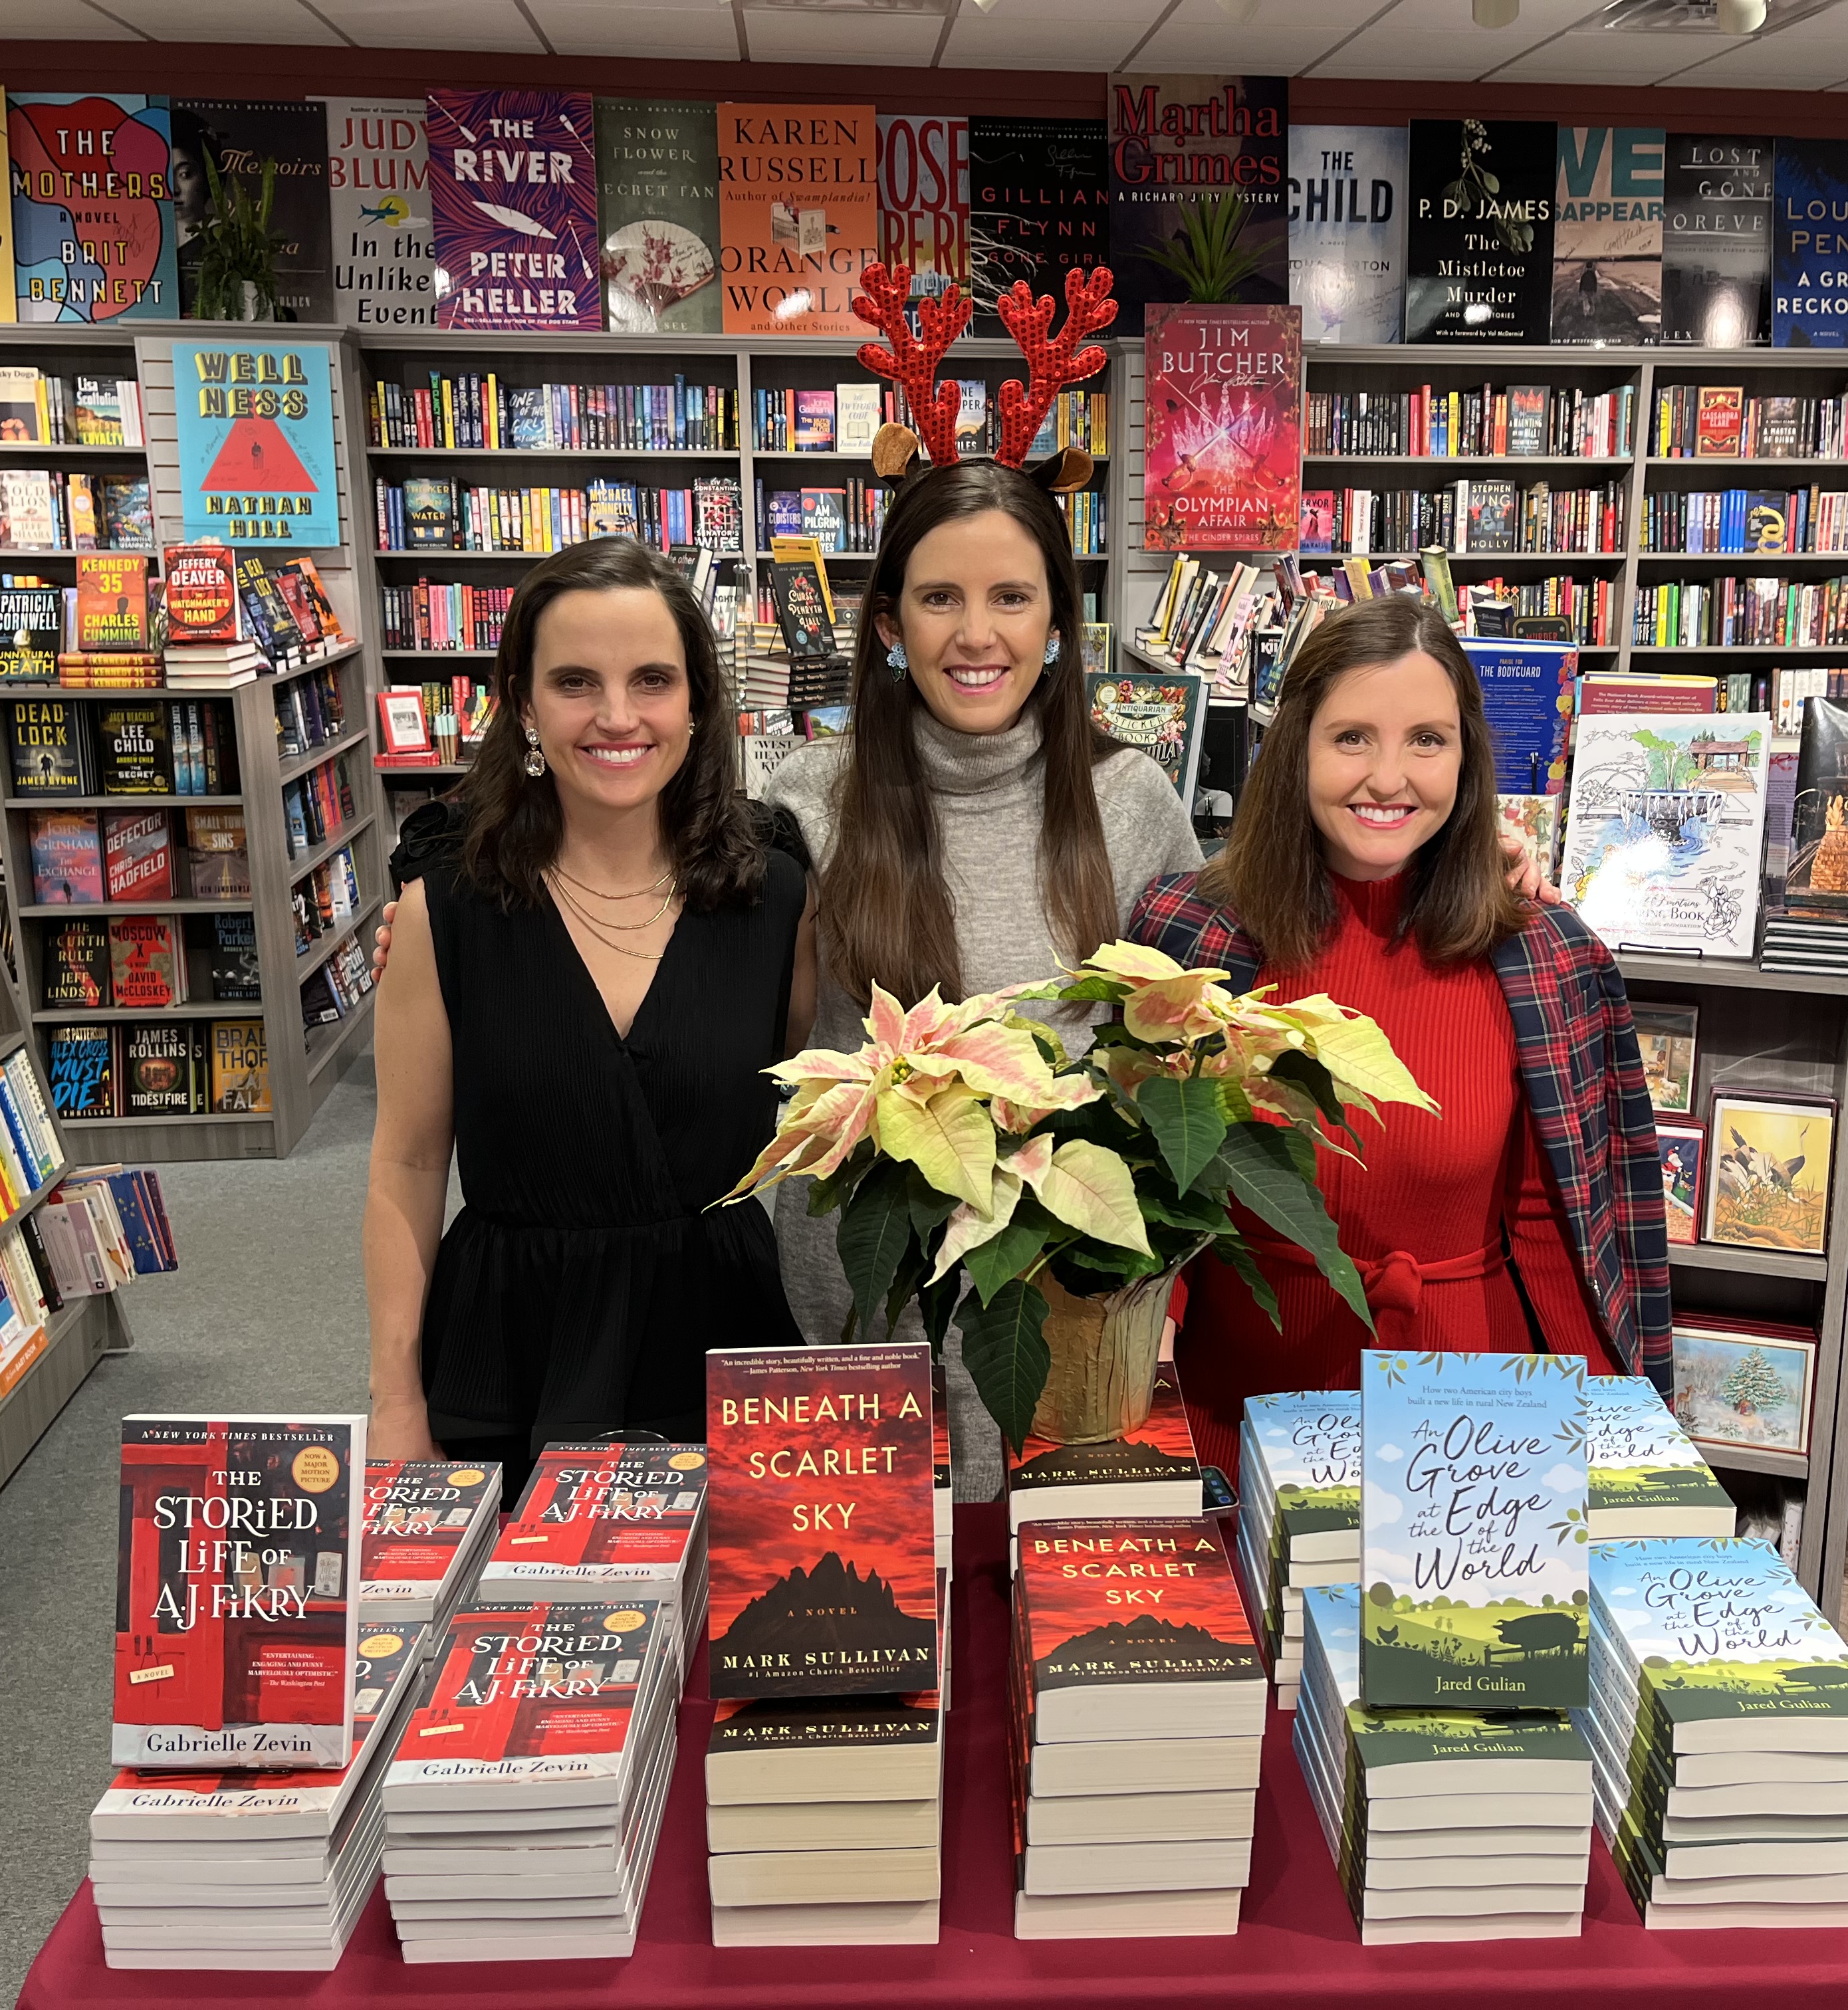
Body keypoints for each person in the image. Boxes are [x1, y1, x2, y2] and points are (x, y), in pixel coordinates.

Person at [1125, 594, 1669, 1471]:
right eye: (1351, 738)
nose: (1389, 777)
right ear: (1295, 746)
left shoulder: (1546, 959)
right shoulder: (1189, 934)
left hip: (1465, 1437)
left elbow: (1565, 1232)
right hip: (1234, 1413)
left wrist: (1611, 1453)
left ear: (1467, 756)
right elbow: (1147, 1197)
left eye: (1427, 739)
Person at [763, 455, 1200, 1492]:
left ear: (1059, 622)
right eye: (939, 598)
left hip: (1061, 1308)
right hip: (859, 1294)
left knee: (1053, 1622)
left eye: (1011, 597)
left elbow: (1205, 1016)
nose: (975, 634)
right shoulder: (810, 796)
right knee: (877, 1598)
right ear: (888, 622)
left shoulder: (1130, 800)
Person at [364, 538, 813, 1485]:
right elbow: (405, 1164)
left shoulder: (777, 900)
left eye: (652, 679)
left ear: (697, 701)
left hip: (721, 1344)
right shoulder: (443, 907)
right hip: (510, 1351)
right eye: (576, 682)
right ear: (524, 706)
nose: (618, 716)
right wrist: (395, 1398)